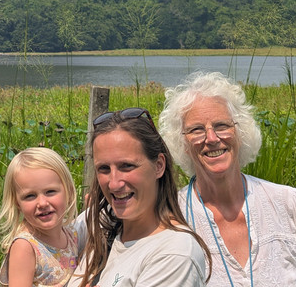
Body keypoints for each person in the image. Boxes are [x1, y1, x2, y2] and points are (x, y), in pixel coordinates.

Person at [159, 71, 296, 287]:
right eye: (197, 130)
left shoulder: (293, 206)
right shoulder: (169, 218)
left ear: (240, 132)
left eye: (222, 126)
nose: (212, 138)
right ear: (182, 143)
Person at [69, 107, 210, 287]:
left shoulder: (174, 254)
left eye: (127, 166)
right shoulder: (100, 222)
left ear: (158, 166)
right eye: (104, 169)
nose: (113, 183)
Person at [0, 146, 80, 287]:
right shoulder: (25, 247)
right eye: (30, 196)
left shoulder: (71, 233)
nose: (42, 203)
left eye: (50, 192)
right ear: (17, 203)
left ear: (69, 192)